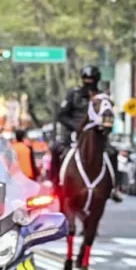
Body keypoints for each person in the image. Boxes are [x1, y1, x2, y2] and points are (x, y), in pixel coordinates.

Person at [50, 65, 121, 202]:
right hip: (74, 134)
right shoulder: (74, 94)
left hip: (97, 135)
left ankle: (114, 187)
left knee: (113, 153)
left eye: (92, 79)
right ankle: (55, 184)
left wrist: (104, 128)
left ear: (97, 80)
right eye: (86, 79)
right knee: (56, 148)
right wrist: (76, 127)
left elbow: (108, 118)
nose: (89, 82)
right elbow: (62, 115)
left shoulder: (103, 98)